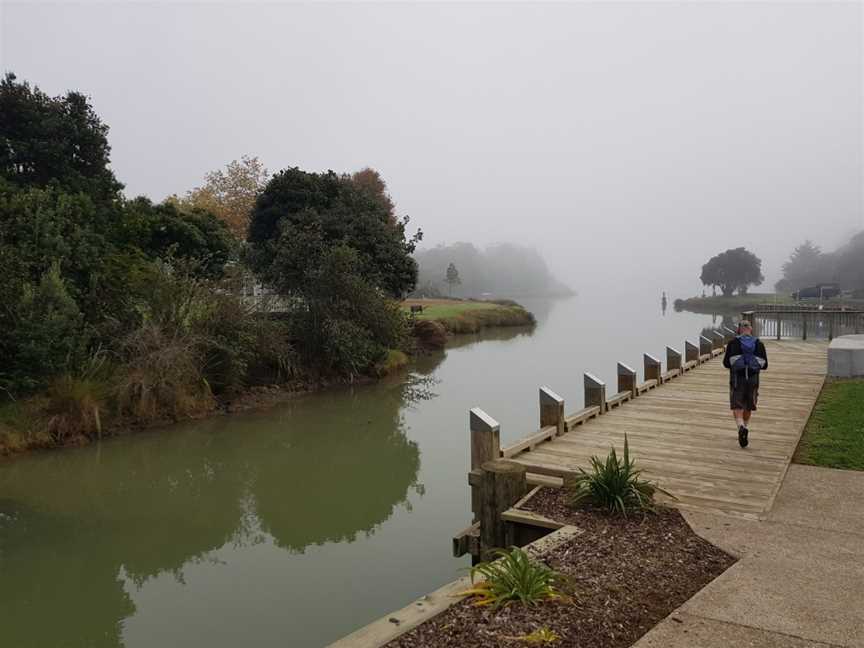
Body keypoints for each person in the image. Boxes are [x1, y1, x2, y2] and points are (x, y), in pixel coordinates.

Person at [722, 320, 768, 448]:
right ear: (751, 329)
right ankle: (745, 427)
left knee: (737, 405)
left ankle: (741, 427)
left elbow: (726, 363)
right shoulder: (759, 343)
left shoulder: (733, 343)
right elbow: (765, 365)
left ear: (739, 330)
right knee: (748, 405)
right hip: (753, 379)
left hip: (737, 379)